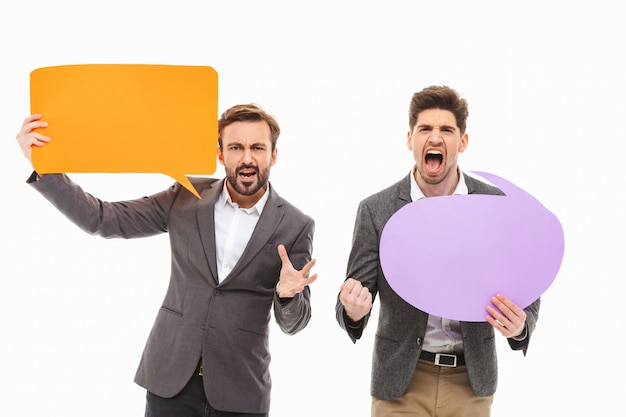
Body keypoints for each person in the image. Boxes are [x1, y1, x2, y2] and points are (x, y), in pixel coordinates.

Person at [16, 104, 318, 417]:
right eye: (235, 147)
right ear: (220, 154)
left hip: (240, 390)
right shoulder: (186, 196)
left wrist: (287, 294)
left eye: (258, 147)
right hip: (170, 380)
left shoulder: (296, 225)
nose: (247, 158)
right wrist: (45, 166)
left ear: (273, 155)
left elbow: (295, 323)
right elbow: (103, 219)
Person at [335, 86, 540, 417]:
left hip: (470, 382)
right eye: (425, 129)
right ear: (409, 139)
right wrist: (353, 310)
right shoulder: (376, 210)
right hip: (400, 381)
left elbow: (526, 287)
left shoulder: (495, 205)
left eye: (446, 130)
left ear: (462, 142)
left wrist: (520, 327)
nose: (435, 137)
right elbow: (354, 296)